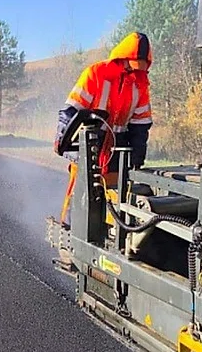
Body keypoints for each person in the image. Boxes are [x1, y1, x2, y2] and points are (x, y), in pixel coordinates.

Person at [54, 32, 153, 227]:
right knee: (81, 191)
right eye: (134, 65)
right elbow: (71, 110)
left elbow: (141, 124)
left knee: (114, 194)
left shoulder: (140, 84)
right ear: (123, 58)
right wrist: (62, 139)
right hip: (91, 143)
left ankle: (108, 232)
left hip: (118, 147)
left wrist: (137, 156)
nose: (138, 71)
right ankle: (69, 230)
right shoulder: (95, 74)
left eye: (142, 66)